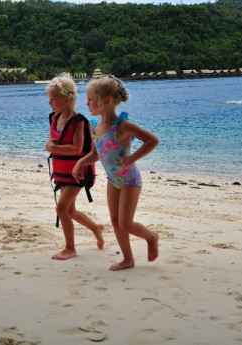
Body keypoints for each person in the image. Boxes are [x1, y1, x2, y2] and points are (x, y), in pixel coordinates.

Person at [72, 75, 159, 271]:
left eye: (91, 99)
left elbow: (152, 140)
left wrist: (132, 158)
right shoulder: (94, 126)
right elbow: (96, 154)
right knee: (114, 221)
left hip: (130, 180)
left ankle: (151, 237)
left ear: (107, 101)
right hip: (113, 181)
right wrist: (81, 162)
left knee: (125, 223)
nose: (87, 103)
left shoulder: (122, 126)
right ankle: (128, 259)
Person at [45, 75, 104, 260]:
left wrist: (53, 147)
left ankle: (70, 248)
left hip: (77, 172)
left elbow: (77, 148)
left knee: (61, 209)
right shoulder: (54, 118)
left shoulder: (79, 121)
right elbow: (56, 140)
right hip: (62, 172)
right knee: (70, 210)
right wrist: (53, 146)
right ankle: (96, 228)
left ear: (67, 98)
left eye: (53, 99)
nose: (50, 103)